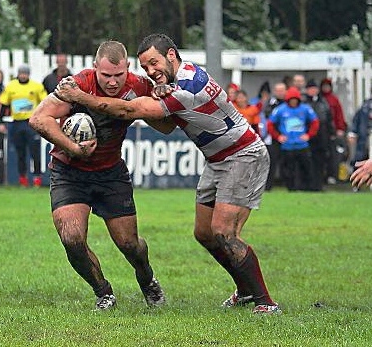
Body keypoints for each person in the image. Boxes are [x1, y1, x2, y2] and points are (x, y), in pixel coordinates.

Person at [53, 34, 281, 314]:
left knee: (224, 232)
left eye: (154, 63)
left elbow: (129, 109)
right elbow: (162, 117)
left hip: (242, 155)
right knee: (205, 234)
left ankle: (265, 303)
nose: (150, 71)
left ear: (171, 55)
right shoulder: (179, 77)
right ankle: (245, 291)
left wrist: (80, 97)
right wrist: (159, 88)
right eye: (146, 67)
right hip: (217, 159)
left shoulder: (187, 87)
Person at [29, 40, 169, 310]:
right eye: (106, 76)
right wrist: (73, 148)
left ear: (128, 68)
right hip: (69, 171)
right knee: (72, 238)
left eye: (119, 75)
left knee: (130, 245)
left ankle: (147, 278)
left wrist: (160, 97)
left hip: (110, 174)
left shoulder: (139, 86)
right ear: (95, 69)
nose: (113, 82)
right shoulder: (78, 84)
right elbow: (38, 118)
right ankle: (103, 291)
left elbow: (165, 127)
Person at [0, 64, 47, 187]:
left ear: (28, 74)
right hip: (17, 123)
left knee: (35, 152)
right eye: (21, 73)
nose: (23, 75)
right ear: (18, 74)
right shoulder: (11, 86)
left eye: (25, 73)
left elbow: (45, 102)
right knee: (20, 152)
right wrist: (1, 121)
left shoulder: (36, 86)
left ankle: (37, 178)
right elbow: (4, 104)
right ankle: (23, 179)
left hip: (31, 123)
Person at [267, 86, 320, 191]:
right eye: (291, 100)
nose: (293, 102)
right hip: (287, 146)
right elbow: (270, 124)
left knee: (307, 168)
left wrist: (309, 135)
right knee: (288, 169)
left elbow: (315, 122)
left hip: (302, 145)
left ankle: (309, 188)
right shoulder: (280, 110)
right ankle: (291, 188)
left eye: (295, 100)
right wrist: (278, 136)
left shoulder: (305, 109)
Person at [303, 79, 335, 191]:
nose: (312, 91)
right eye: (310, 89)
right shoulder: (303, 103)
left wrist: (332, 133)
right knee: (307, 162)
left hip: (322, 136)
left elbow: (329, 118)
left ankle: (318, 185)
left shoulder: (323, 102)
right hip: (307, 136)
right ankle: (307, 185)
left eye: (314, 89)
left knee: (320, 161)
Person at [320, 78, 348, 184]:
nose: (326, 88)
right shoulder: (320, 99)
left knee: (334, 155)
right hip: (322, 132)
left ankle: (332, 175)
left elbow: (339, 115)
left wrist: (340, 128)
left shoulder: (334, 99)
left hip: (333, 132)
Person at [263, 82, 287, 190]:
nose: (280, 93)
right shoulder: (271, 103)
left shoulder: (290, 103)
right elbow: (268, 118)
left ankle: (287, 183)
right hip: (274, 136)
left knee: (287, 162)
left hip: (288, 136)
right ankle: (268, 185)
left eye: (282, 90)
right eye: (278, 90)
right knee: (271, 161)